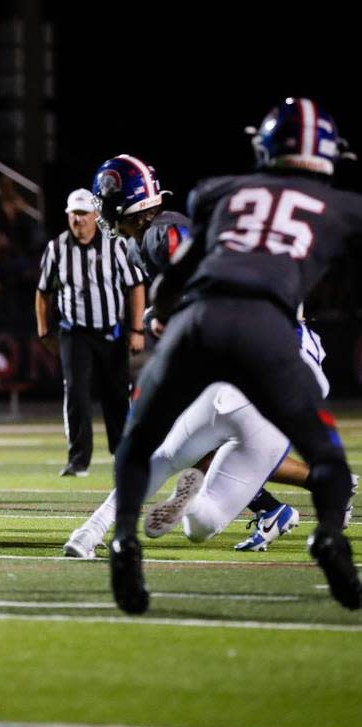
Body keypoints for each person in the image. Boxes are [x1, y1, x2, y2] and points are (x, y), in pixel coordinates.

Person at [108, 98, 362, 614]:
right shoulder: (343, 206)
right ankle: (330, 535)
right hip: (269, 331)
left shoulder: (219, 191)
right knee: (327, 455)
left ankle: (124, 544)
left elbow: (182, 266)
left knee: (138, 441)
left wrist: (159, 314)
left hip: (199, 326)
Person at [64, 321, 342, 558]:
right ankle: (193, 502)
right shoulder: (295, 325)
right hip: (273, 414)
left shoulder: (238, 298)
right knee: (201, 527)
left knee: (161, 459)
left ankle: (88, 532)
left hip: (227, 390)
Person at [35, 187, 145, 477]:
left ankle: (122, 452)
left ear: (96, 215)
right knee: (76, 393)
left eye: (84, 213)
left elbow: (136, 285)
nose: (78, 220)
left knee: (117, 395)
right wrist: (44, 329)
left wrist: (136, 329)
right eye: (74, 214)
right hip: (75, 331)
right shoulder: (56, 248)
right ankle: (78, 459)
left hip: (112, 330)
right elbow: (43, 292)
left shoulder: (116, 245)